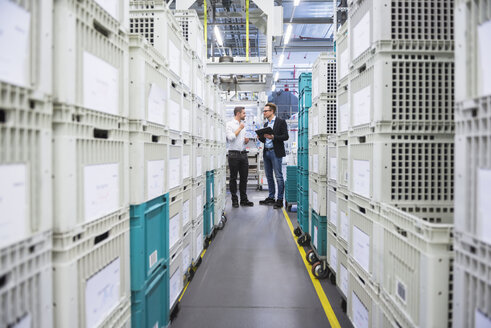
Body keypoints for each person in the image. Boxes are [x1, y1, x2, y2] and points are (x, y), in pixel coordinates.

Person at [257, 103, 289, 209]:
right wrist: (260, 137)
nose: (264, 113)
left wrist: (273, 137)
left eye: (266, 111)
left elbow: (285, 136)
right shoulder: (266, 124)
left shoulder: (280, 122)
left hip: (276, 152)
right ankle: (271, 197)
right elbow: (265, 139)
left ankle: (279, 199)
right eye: (264, 111)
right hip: (267, 152)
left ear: (272, 111)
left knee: (279, 176)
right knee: (269, 176)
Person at [226, 106, 254, 208]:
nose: (245, 115)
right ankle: (234, 200)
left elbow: (240, 140)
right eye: (243, 113)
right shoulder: (229, 124)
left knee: (244, 178)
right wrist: (240, 128)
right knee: (233, 178)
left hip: (243, 154)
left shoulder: (243, 126)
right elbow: (231, 138)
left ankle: (244, 199)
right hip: (233, 154)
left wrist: (246, 140)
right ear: (238, 114)